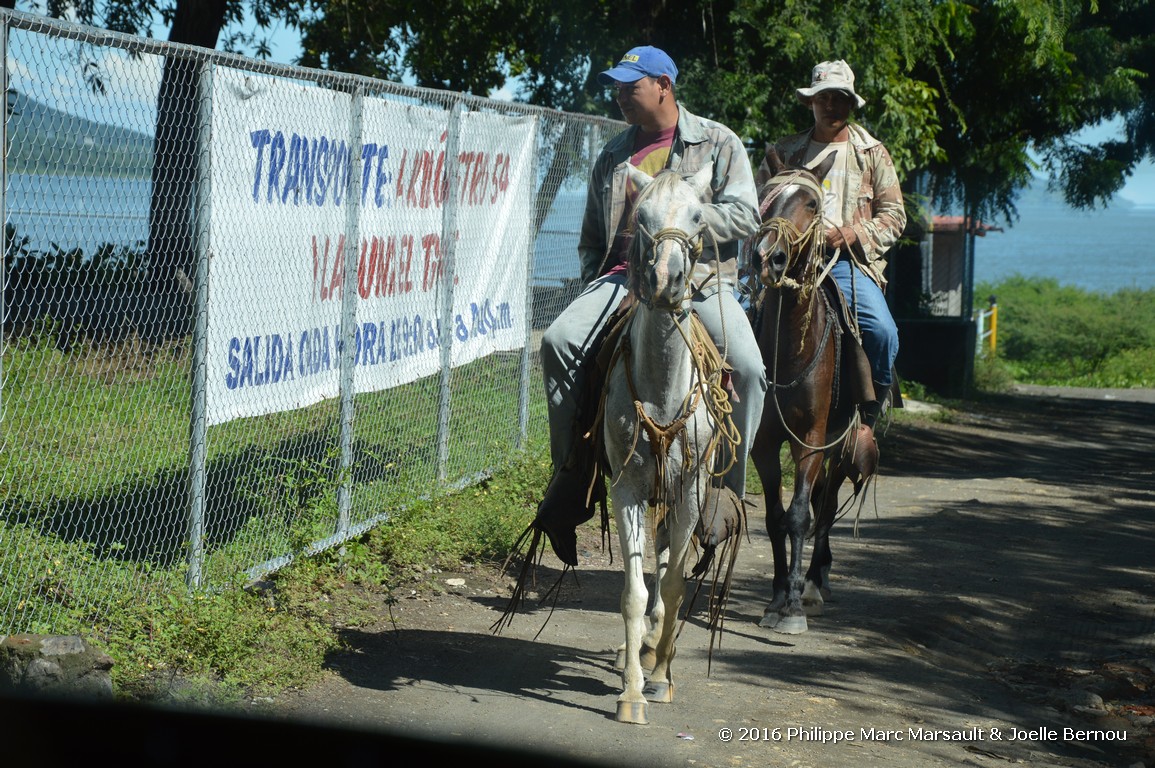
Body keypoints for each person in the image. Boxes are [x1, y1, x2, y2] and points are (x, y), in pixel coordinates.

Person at [532, 45, 767, 567]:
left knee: (749, 370)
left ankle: (724, 493)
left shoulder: (718, 142)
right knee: (558, 342)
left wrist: (688, 225)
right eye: (616, 86)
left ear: (663, 84)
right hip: (623, 282)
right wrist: (599, 282)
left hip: (701, 282)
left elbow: (747, 215)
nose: (619, 95)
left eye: (628, 85)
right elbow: (593, 236)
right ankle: (572, 474)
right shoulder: (613, 155)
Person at [757, 59, 906, 440]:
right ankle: (728, 420)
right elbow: (754, 206)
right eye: (824, 98)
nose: (831, 107)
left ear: (851, 104)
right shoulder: (785, 153)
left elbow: (895, 216)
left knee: (883, 331)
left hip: (845, 264)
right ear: (811, 102)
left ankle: (870, 419)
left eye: (840, 99)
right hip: (783, 261)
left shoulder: (872, 153)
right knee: (731, 323)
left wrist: (853, 233)